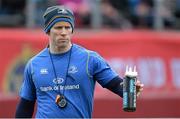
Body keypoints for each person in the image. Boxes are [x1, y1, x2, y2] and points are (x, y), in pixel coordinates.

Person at [15, 5, 144, 118]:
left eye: (67, 27)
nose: (64, 33)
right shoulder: (33, 64)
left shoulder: (90, 59)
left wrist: (131, 89)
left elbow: (116, 85)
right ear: (48, 31)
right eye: (58, 28)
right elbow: (26, 105)